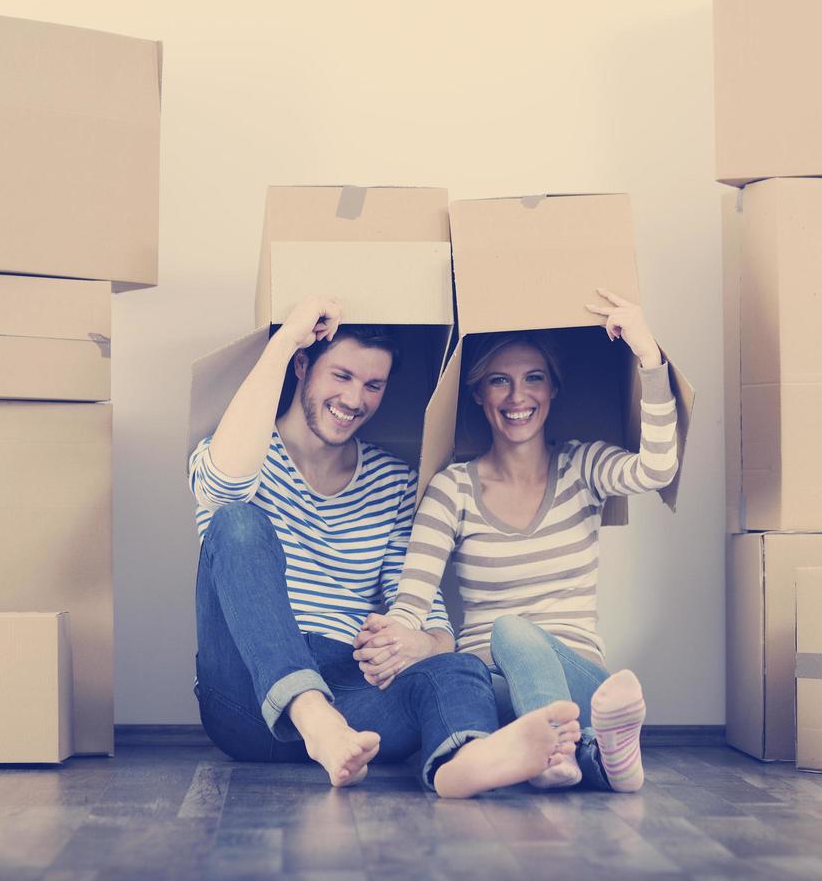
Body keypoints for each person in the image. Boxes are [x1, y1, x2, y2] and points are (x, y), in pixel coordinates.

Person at [189, 296, 580, 798]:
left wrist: (424, 643)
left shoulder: (394, 481)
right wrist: (286, 340)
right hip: (245, 694)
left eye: (373, 385)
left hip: (352, 705)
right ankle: (310, 715)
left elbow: (427, 611)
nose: (355, 399)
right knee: (238, 522)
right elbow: (220, 491)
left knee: (458, 666)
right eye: (342, 376)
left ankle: (465, 761)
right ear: (302, 367)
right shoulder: (238, 451)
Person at [354, 288, 678, 792]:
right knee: (488, 673)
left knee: (514, 629)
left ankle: (554, 756)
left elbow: (658, 468)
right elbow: (412, 598)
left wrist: (649, 358)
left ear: (553, 390)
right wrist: (393, 639)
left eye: (533, 379)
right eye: (499, 381)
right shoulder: (453, 488)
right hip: (493, 687)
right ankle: (597, 755)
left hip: (579, 677)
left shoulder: (582, 466)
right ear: (478, 393)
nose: (517, 397)